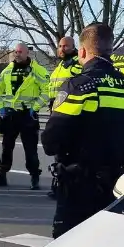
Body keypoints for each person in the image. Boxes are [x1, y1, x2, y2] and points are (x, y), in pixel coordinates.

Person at [42, 23, 124, 238]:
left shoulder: (79, 85)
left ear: (82, 51)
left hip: (79, 183)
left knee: (67, 246)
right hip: (117, 182)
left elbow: (51, 140)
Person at [0, 43, 49, 190]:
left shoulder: (37, 70)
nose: (17, 54)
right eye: (15, 51)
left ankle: (34, 176)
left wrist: (35, 108)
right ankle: (1, 174)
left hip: (28, 115)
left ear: (27, 52)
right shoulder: (8, 70)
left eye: (20, 51)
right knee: (6, 147)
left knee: (30, 149)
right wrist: (1, 106)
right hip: (10, 115)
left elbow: (47, 91)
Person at [46, 36, 81, 198]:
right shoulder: (60, 65)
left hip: (68, 113)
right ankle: (59, 184)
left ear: (74, 47)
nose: (62, 49)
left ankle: (66, 186)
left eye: (66, 46)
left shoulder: (76, 64)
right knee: (58, 152)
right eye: (60, 46)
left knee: (66, 153)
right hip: (56, 111)